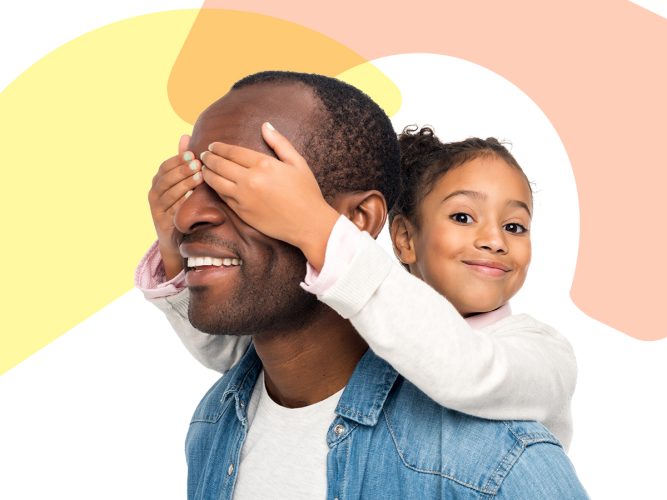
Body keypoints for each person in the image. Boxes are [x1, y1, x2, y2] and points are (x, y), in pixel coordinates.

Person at [139, 71, 587, 498]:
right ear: (406, 238)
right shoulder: (217, 423)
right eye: (463, 217)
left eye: (248, 187)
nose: (492, 241)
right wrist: (179, 252)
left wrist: (317, 228)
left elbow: (461, 368)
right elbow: (227, 347)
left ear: (359, 221)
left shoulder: (504, 429)